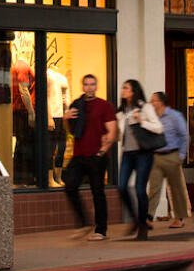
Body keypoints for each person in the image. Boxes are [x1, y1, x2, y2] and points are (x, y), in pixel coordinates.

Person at [60, 73, 116, 239]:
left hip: (97, 155)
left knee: (97, 192)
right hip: (79, 155)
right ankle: (84, 223)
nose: (89, 87)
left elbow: (112, 132)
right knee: (70, 187)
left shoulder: (104, 106)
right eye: (86, 84)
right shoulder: (76, 105)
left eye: (92, 84)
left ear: (96, 86)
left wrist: (101, 152)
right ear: (82, 86)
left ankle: (100, 230)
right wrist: (65, 119)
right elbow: (70, 131)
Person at [113, 79, 162, 241]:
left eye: (126, 88)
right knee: (121, 186)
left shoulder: (145, 107)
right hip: (127, 153)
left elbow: (159, 127)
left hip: (143, 154)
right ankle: (135, 220)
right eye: (123, 88)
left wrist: (142, 121)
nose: (123, 90)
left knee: (140, 189)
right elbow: (119, 134)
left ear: (134, 91)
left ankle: (142, 225)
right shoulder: (121, 111)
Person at [148, 90, 192, 230]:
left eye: (153, 100)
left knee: (176, 188)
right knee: (154, 188)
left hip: (172, 154)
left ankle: (179, 218)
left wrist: (181, 155)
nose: (151, 103)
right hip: (156, 156)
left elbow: (184, 136)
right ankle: (148, 218)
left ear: (160, 102)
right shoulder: (152, 117)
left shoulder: (174, 116)